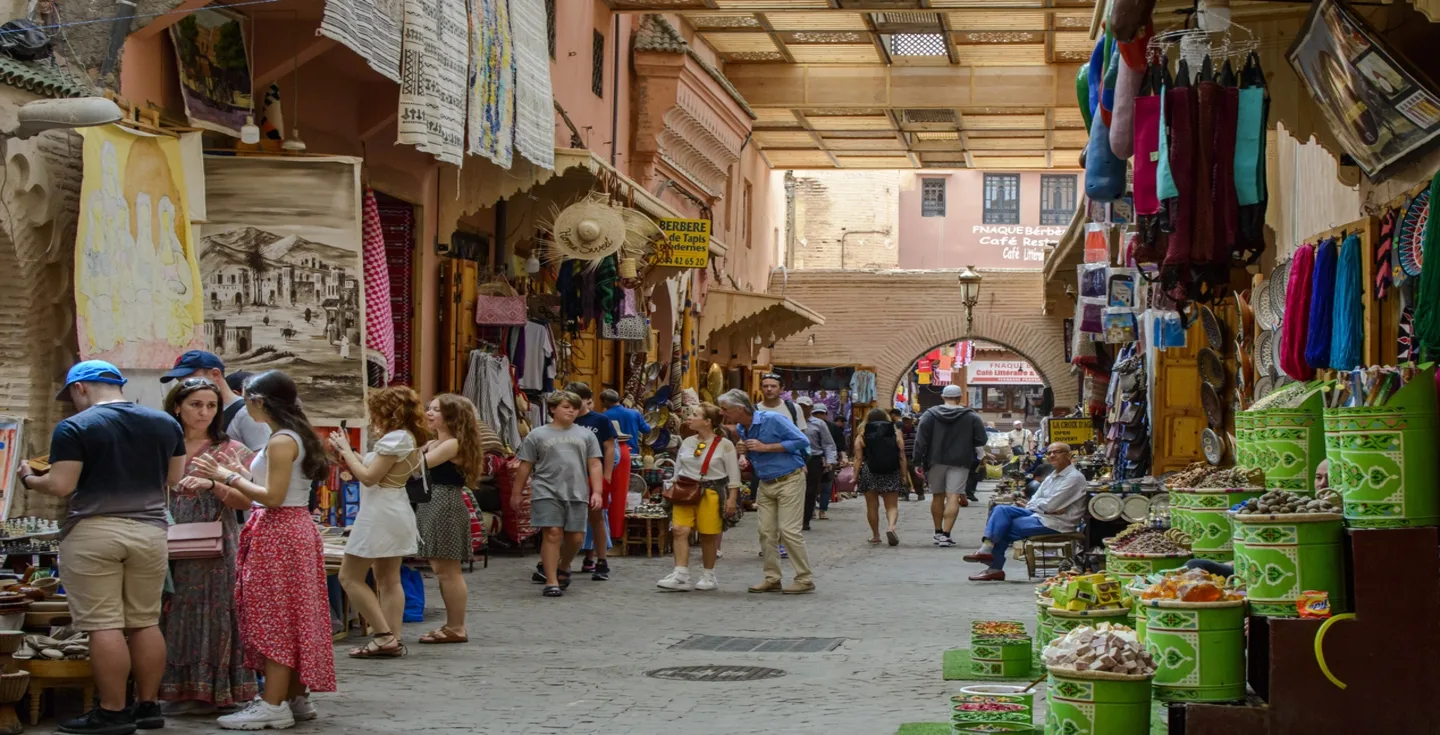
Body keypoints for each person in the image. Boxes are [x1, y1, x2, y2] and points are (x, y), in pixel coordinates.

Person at [18, 361, 185, 734]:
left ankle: (112, 712)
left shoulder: (76, 426)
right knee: (144, 620)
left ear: (80, 389)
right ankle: (148, 706)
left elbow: (61, 486)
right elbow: (174, 478)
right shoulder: (165, 423)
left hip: (95, 531)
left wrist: (30, 479)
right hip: (150, 531)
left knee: (103, 624)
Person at [189, 370, 335, 730]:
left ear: (260, 401)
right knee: (292, 614)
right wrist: (234, 470)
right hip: (288, 530)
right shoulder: (288, 437)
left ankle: (273, 703)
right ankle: (294, 696)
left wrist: (227, 477)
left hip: (281, 531)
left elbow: (273, 496)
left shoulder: (282, 441)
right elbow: (270, 484)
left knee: (276, 617)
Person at [159, 378, 257, 714]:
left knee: (214, 613)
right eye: (196, 405)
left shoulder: (231, 449)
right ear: (177, 407)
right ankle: (171, 690)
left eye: (211, 406)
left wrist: (213, 482)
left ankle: (215, 692)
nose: (204, 412)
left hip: (214, 545)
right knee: (168, 612)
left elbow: (247, 500)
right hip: (163, 539)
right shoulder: (160, 446)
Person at [329, 387, 425, 658]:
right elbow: (376, 470)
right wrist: (350, 451)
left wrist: (346, 451)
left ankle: (383, 635)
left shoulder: (395, 438)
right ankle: (391, 637)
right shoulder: (406, 437)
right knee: (387, 579)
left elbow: (369, 478)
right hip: (391, 509)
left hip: (380, 513)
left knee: (349, 576)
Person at [718, 389, 815, 594]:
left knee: (788, 530)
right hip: (766, 482)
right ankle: (772, 578)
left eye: (725, 409)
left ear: (740, 408)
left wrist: (766, 447)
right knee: (766, 532)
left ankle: (804, 578)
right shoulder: (742, 428)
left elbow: (802, 441)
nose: (722, 413)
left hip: (789, 478)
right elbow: (755, 451)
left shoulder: (772, 419)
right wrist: (745, 452)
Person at [512, 392, 604, 598]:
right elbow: (525, 464)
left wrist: (597, 491)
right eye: (566, 406)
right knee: (552, 532)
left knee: (577, 538)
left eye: (574, 407)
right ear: (553, 409)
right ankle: (551, 580)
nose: (571, 410)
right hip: (546, 489)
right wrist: (516, 492)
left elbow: (595, 463)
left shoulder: (586, 435)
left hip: (577, 491)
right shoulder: (537, 434)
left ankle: (564, 565)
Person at [416, 394, 488, 645]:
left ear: (451, 417)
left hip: (444, 504)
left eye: (437, 410)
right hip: (432, 503)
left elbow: (416, 467)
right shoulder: (435, 442)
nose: (429, 413)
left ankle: (456, 626)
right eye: (430, 408)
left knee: (448, 570)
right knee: (440, 568)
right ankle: (451, 625)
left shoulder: (452, 444)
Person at [964, 442, 1088, 581]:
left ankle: (993, 565)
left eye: (1058, 452)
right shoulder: (1052, 476)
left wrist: (1042, 506)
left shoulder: (1074, 477)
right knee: (1000, 510)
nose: (1052, 455)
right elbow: (1037, 500)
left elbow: (1051, 505)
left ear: (1069, 455)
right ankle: (987, 551)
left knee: (1004, 527)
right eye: (1050, 452)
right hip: (1041, 514)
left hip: (1057, 522)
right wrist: (1042, 506)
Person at [656, 404, 742, 592]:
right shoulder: (687, 442)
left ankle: (708, 575)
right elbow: (678, 468)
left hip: (711, 492)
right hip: (685, 490)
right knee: (679, 530)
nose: (690, 417)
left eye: (695, 415)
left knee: (708, 535)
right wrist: (671, 486)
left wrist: (732, 499)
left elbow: (734, 475)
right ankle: (680, 575)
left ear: (707, 421)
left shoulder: (724, 445)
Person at [914, 384, 988, 547]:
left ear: (943, 397)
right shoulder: (971, 416)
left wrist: (917, 461)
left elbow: (920, 440)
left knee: (937, 495)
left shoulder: (930, 414)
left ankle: (938, 532)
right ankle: (946, 535)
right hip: (960, 461)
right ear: (960, 397)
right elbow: (982, 439)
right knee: (953, 496)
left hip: (935, 460)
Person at [160, 350, 270, 452]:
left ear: (215, 374)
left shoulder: (247, 413)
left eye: (191, 379)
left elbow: (264, 464)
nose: (184, 386)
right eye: (180, 381)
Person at [566, 383, 617, 581]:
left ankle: (601, 560)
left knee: (597, 518)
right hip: (571, 475)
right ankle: (565, 560)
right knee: (567, 518)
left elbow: (610, 447)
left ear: (585, 399)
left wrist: (607, 474)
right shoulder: (566, 419)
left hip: (593, 474)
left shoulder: (600, 420)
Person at [854, 408, 906, 546]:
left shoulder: (862, 434)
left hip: (869, 471)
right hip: (891, 470)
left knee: (872, 506)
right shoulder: (896, 433)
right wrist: (904, 474)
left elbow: (858, 458)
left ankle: (876, 535)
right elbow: (901, 456)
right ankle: (891, 527)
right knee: (892, 505)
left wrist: (854, 476)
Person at [797, 397, 837, 531]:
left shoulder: (818, 424)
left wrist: (830, 461)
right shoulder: (790, 421)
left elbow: (828, 443)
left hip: (813, 459)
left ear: (810, 408)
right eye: (800, 406)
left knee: (810, 490)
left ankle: (805, 519)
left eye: (805, 406)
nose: (803, 409)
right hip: (794, 458)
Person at [812, 403, 842, 517]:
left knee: (826, 485)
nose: (819, 416)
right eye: (816, 413)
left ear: (826, 414)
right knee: (812, 485)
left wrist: (837, 458)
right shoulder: (807, 426)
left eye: (821, 413)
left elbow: (838, 444)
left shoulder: (833, 427)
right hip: (814, 459)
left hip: (829, 460)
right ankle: (812, 508)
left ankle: (822, 510)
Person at [599, 389, 650, 454]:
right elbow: (646, 430)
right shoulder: (635, 413)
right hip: (631, 451)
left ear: (605, 401)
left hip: (612, 454)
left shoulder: (603, 416)